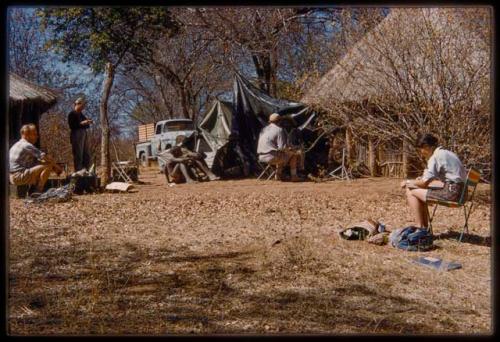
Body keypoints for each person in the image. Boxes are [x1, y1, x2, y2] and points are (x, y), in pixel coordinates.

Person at [400, 133, 467, 230]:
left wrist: (407, 182)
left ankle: (420, 227)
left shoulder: (435, 157)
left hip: (452, 194)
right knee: (419, 189)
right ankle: (424, 227)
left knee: (410, 190)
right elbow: (437, 180)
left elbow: (424, 183)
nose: (421, 153)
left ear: (427, 146)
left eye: (421, 150)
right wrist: (421, 180)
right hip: (462, 194)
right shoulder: (446, 153)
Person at [9, 124, 63, 193]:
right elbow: (45, 157)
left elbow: (38, 161)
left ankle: (33, 189)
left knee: (42, 164)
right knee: (48, 165)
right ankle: (37, 192)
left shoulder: (17, 144)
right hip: (18, 177)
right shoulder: (27, 145)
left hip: (12, 177)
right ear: (26, 135)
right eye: (34, 134)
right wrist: (57, 167)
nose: (37, 136)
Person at [257, 113, 304, 181]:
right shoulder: (279, 130)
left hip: (261, 157)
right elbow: (283, 148)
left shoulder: (263, 129)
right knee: (294, 154)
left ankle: (278, 175)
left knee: (280, 154)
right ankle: (294, 176)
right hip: (272, 157)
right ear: (279, 121)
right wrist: (292, 149)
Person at [68, 97, 93, 172]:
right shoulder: (72, 114)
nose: (83, 107)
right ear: (77, 104)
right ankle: (79, 170)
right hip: (76, 134)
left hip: (84, 134)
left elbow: (87, 125)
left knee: (86, 154)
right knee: (78, 153)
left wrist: (87, 122)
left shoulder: (81, 114)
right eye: (82, 106)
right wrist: (82, 123)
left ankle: (86, 170)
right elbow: (72, 126)